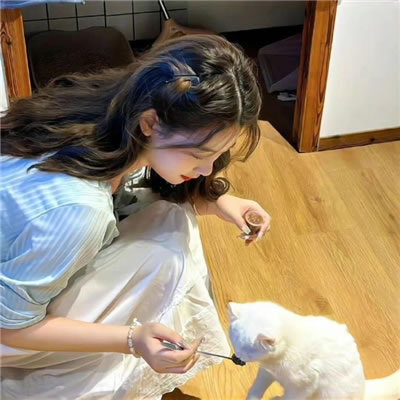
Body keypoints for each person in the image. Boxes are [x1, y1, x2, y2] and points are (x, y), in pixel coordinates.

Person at [0, 34, 271, 399]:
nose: (207, 169)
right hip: (9, 328)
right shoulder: (79, 210)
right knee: (165, 253)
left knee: (170, 221)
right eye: (198, 155)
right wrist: (131, 339)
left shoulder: (100, 114)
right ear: (150, 124)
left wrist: (217, 201)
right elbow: (9, 327)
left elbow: (148, 183)